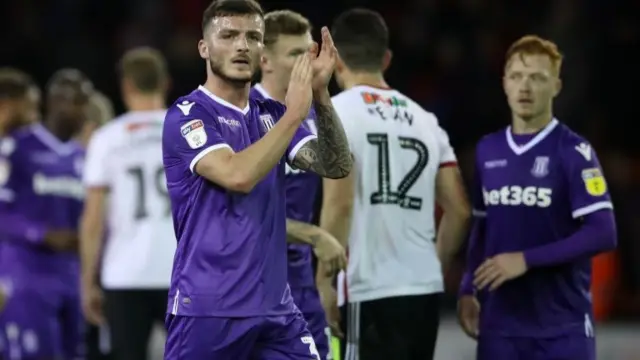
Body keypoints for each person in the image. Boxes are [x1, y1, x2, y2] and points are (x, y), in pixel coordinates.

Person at [161, 0, 351, 358]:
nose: (242, 45)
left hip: (277, 309)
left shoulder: (272, 114)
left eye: (252, 37)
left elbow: (335, 164)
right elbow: (237, 175)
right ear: (204, 47)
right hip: (208, 310)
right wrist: (295, 115)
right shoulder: (188, 114)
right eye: (229, 35)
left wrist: (321, 97)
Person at [319, 8, 471, 360]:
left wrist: (323, 282)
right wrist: (434, 262)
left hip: (366, 288)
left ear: (335, 57)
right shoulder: (426, 120)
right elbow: (460, 211)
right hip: (423, 289)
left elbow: (339, 205)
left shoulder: (336, 113)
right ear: (386, 59)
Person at [457, 35, 617, 360]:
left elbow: (603, 232)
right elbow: (481, 228)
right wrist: (466, 290)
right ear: (504, 83)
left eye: (537, 78)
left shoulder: (574, 152)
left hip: (562, 328)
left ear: (556, 86)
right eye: (516, 77)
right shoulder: (488, 150)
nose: (525, 87)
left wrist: (526, 260)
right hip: (500, 328)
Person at [251, 10, 347, 360]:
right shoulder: (244, 115)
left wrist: (321, 92)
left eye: (308, 52)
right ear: (265, 60)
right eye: (294, 54)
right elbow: (242, 213)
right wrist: (314, 234)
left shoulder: (313, 117)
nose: (305, 61)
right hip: (251, 284)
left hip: (301, 283)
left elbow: (339, 171)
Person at [80, 47, 174, 360]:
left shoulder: (107, 138)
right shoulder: (187, 132)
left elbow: (93, 219)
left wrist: (87, 282)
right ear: (165, 83)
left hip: (124, 273)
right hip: (180, 271)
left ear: (126, 86)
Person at [0, 68, 92, 359]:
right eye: (74, 101)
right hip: (27, 276)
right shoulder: (15, 149)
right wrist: (41, 234)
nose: (81, 110)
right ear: (53, 102)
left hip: (73, 276)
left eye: (84, 101)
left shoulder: (85, 158)